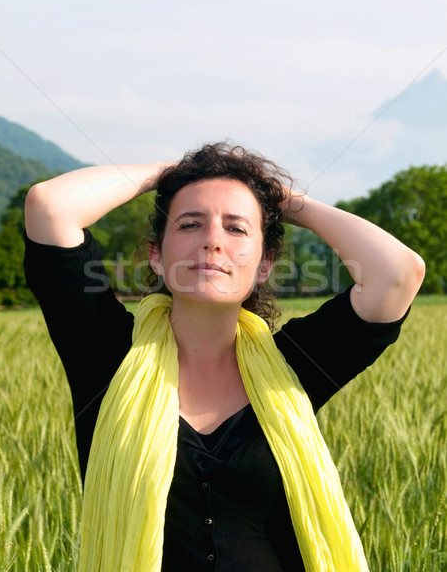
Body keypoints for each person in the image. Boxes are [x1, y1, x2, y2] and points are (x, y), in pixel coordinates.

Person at [24, 142, 425, 572]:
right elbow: (50, 206)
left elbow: (397, 273)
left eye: (236, 229)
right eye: (190, 224)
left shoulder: (293, 368)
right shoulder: (106, 353)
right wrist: (174, 174)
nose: (213, 241)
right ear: (157, 256)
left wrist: (283, 201)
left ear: (265, 265)